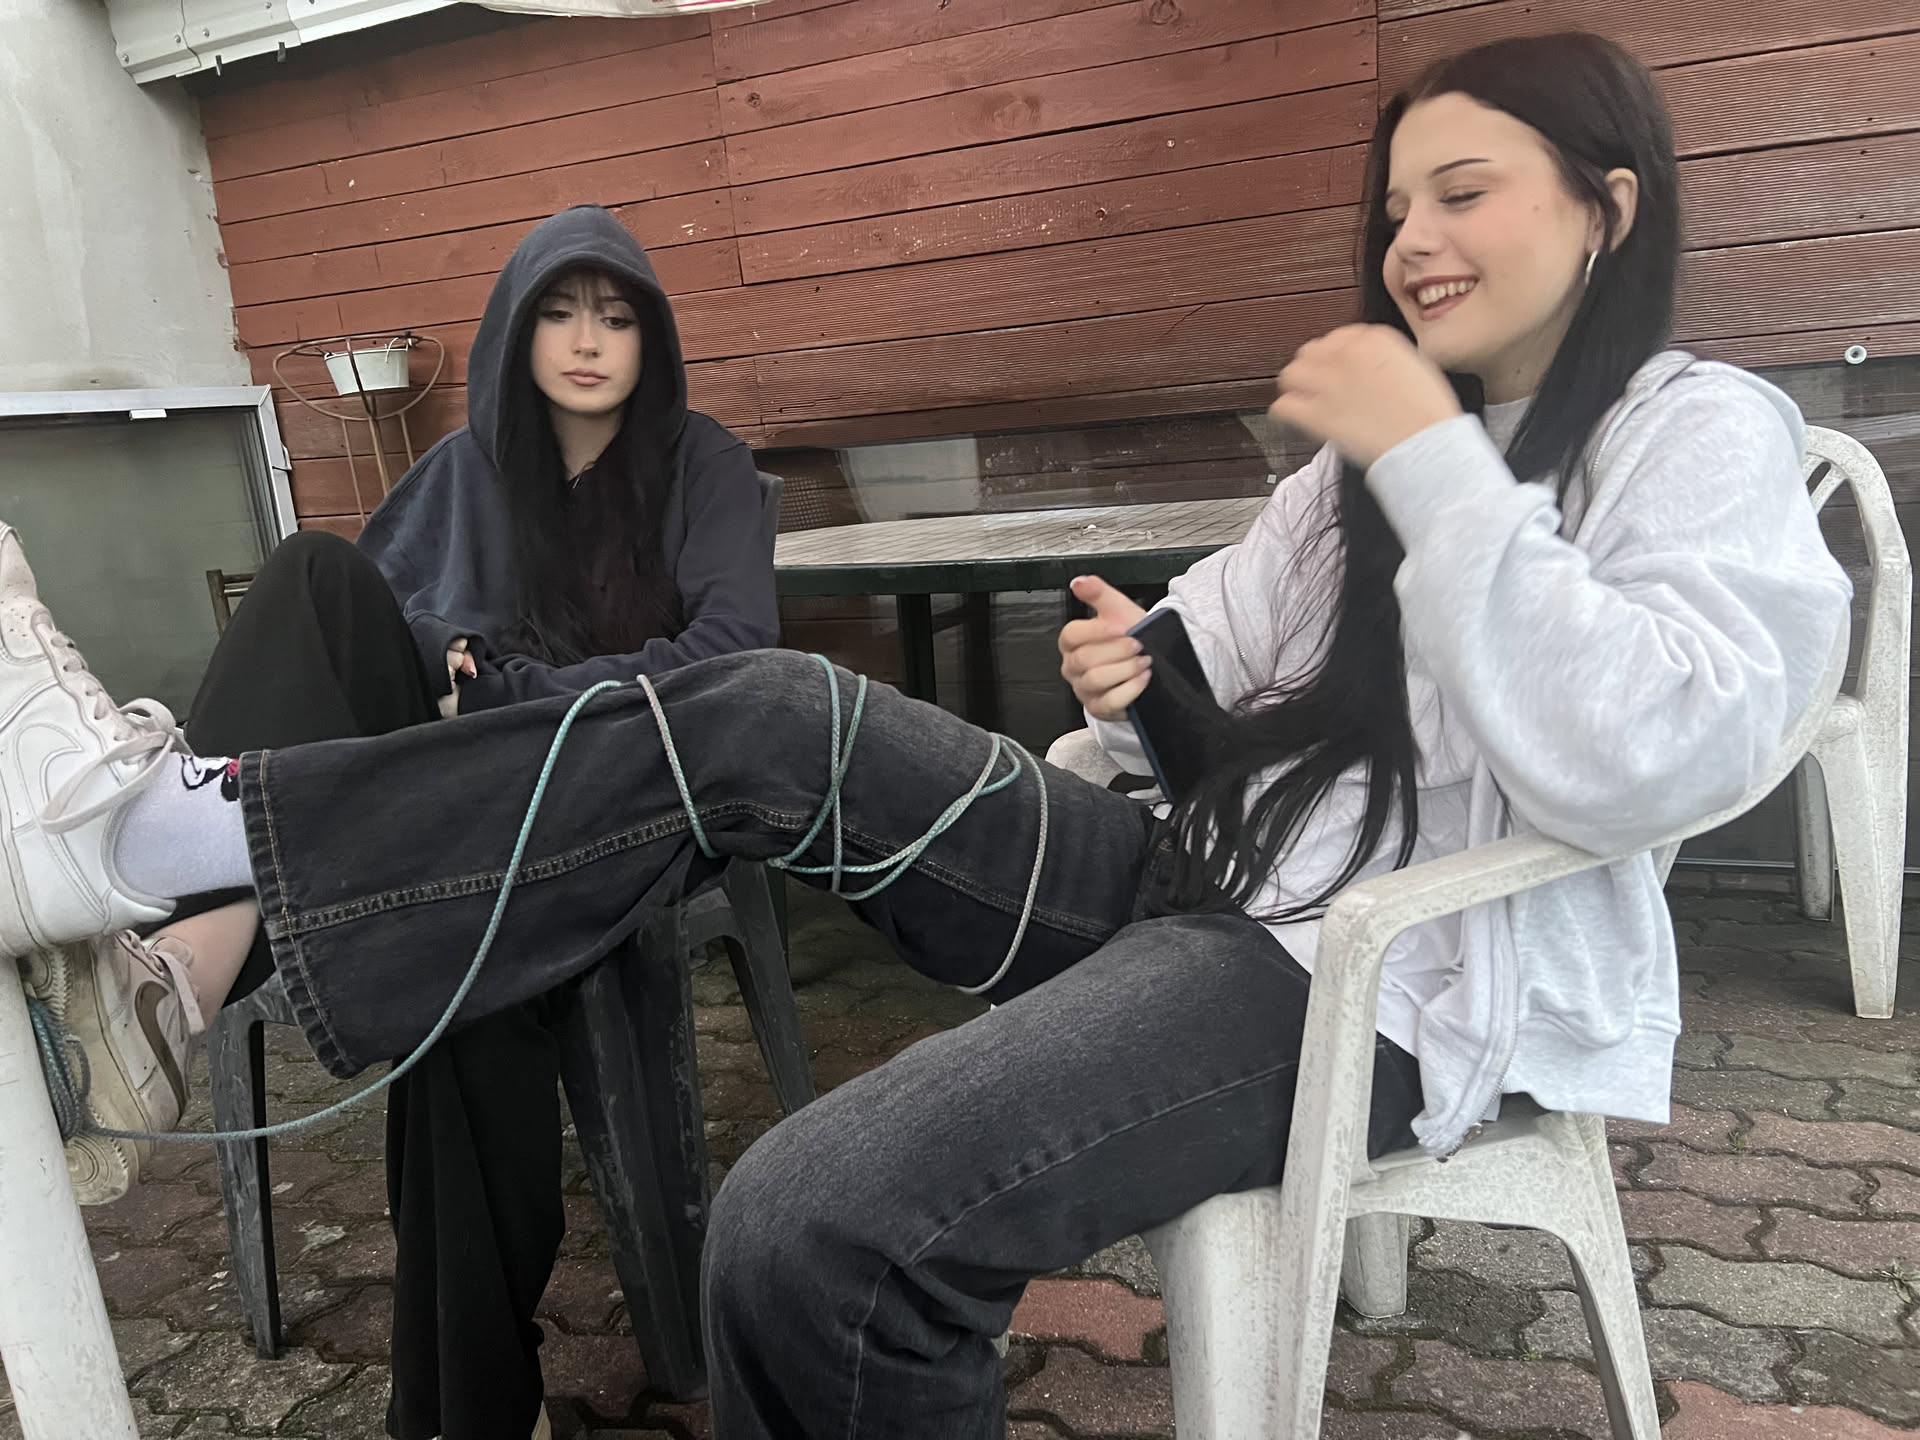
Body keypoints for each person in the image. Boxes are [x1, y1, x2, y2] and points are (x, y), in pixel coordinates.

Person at [6, 30, 1853, 1439]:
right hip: (1186, 868)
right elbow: (1211, 646)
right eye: (1397, 206)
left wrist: (1432, 458)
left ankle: (174, 890)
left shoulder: (1697, 434)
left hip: (1376, 977)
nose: (1413, 239)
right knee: (759, 710)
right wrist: (1144, 671)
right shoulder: (1365, 469)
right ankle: (162, 842)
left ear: (1609, 206)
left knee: (808, 1230)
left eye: (1463, 192)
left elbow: (1655, 754)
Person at [26, 203, 777, 1440]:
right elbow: (386, 628)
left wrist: (509, 688)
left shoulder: (704, 466)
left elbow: (733, 657)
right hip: (450, 805)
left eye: (617, 315)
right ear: (515, 329)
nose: (588, 340)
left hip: (618, 800)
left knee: (445, 970)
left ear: (653, 338)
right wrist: (446, 657)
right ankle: (479, 1408)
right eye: (558, 311)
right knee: (316, 582)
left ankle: (174, 957)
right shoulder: (468, 469)